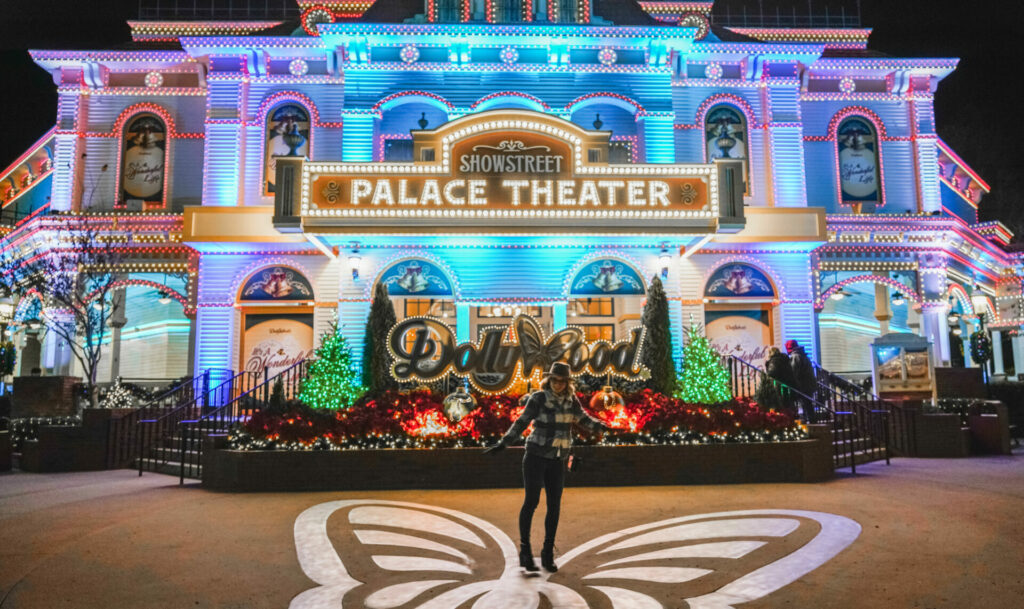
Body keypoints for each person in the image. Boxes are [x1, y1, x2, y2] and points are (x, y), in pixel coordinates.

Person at [483, 362, 609, 573]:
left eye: (562, 381)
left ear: (567, 383)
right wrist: (504, 443)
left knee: (554, 506)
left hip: (557, 460)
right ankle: (525, 551)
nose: (558, 384)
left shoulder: (571, 401)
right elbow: (522, 422)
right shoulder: (539, 398)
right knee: (531, 501)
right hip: (535, 456)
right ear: (549, 380)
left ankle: (547, 553)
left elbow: (583, 419)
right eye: (554, 380)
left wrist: (604, 427)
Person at [786, 339, 818, 423]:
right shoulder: (803, 355)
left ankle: (806, 420)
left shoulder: (795, 356)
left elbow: (794, 371)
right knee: (808, 403)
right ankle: (811, 420)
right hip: (809, 384)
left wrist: (791, 381)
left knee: (804, 403)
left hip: (802, 384)